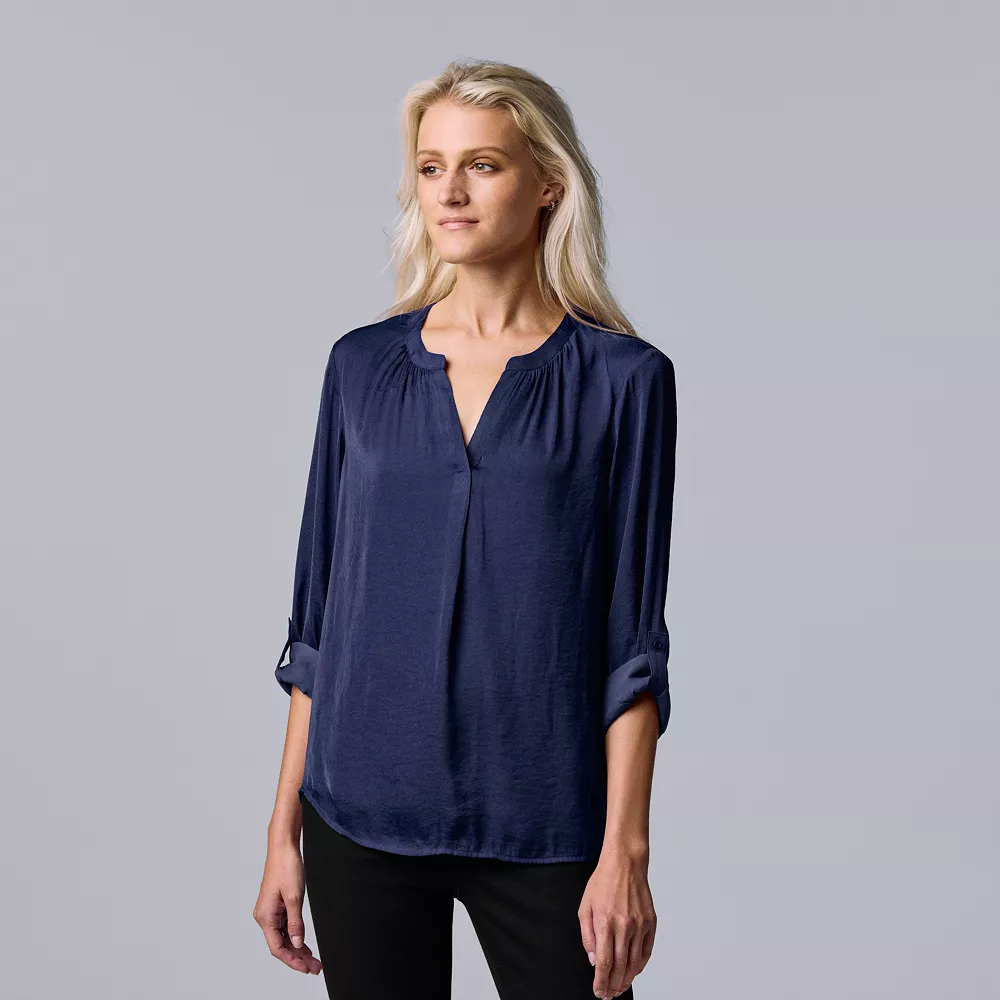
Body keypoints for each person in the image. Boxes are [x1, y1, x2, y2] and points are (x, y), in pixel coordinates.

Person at [253, 58, 678, 1000]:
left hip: (545, 815)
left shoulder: (624, 381)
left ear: (548, 183)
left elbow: (633, 645)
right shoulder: (360, 368)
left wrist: (626, 850)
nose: (449, 191)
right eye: (431, 165)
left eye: (482, 165)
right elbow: (318, 624)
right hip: (359, 812)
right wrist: (283, 831)